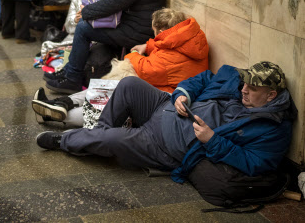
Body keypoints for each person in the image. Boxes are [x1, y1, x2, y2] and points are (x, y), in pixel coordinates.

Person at [36, 62, 296, 184]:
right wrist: (184, 94)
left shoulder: (273, 128)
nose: (244, 90)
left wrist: (213, 140)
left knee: (114, 139)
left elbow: (255, 163)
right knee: (128, 84)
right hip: (165, 106)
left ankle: (67, 141)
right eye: (245, 84)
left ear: (271, 95)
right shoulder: (236, 81)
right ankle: (96, 138)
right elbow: (202, 78)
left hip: (165, 145)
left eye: (252, 89)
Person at [32, 8, 209, 125]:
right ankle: (61, 103)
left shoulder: (172, 55)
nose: (154, 36)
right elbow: (164, 45)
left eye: (154, 32)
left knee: (108, 103)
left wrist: (134, 54)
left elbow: (148, 68)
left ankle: (52, 113)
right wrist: (147, 46)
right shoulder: (187, 39)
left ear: (162, 31)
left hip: (165, 100)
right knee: (109, 88)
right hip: (165, 90)